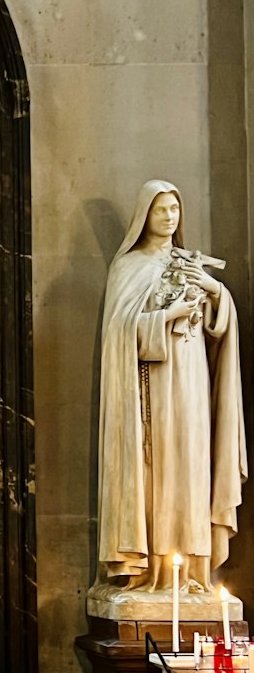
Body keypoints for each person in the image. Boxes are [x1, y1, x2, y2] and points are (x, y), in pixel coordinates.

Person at [96, 179, 246, 592]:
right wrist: (167, 315)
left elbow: (222, 324)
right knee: (159, 466)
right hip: (153, 385)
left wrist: (213, 290)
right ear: (145, 215)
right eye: (161, 209)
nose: (168, 217)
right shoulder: (128, 266)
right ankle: (156, 567)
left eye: (174, 210)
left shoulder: (189, 261)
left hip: (193, 373)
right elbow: (119, 333)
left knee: (193, 460)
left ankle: (193, 568)